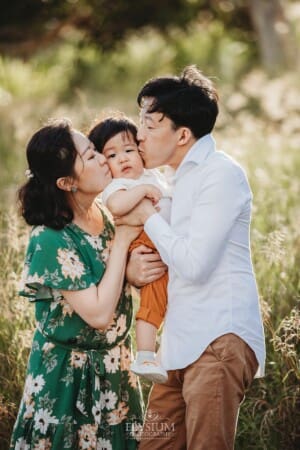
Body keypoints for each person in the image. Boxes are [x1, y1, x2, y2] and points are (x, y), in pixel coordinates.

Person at [120, 66, 266, 449]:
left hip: (219, 338)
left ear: (182, 134)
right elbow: (161, 253)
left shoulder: (221, 174)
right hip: (178, 346)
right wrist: (133, 271)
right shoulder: (171, 182)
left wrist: (148, 217)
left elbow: (194, 263)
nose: (139, 136)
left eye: (150, 126)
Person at [10, 119, 144, 450]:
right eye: (90, 155)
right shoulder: (51, 238)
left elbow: (116, 283)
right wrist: (126, 239)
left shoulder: (108, 214)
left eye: (97, 151)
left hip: (116, 368)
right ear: (67, 181)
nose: (103, 158)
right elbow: (98, 314)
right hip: (68, 379)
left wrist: (132, 274)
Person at [88, 114, 172, 384]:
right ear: (103, 164)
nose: (123, 159)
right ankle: (145, 354)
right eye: (111, 155)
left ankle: (167, 347)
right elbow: (118, 206)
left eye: (128, 150)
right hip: (146, 246)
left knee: (173, 301)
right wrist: (143, 190)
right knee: (153, 300)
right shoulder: (117, 186)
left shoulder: (154, 174)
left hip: (168, 245)